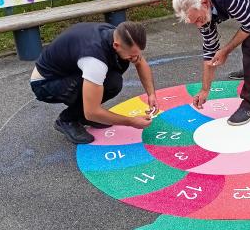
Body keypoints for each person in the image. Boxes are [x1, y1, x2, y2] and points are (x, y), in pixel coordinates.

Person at [30, 21, 158, 144]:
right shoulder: (94, 60)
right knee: (111, 83)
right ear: (116, 46)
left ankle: (81, 116)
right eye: (131, 57)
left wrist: (151, 94)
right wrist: (131, 122)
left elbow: (140, 62)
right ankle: (67, 120)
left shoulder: (118, 34)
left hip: (68, 71)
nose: (135, 59)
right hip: (46, 83)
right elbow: (92, 111)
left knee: (111, 80)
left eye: (137, 54)